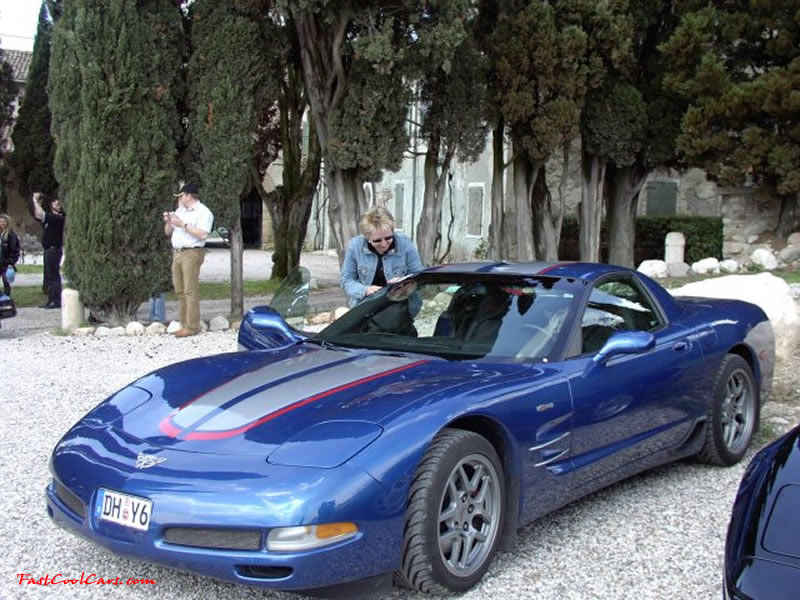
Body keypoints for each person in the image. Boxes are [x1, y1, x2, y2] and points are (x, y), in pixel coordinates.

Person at [340, 206, 423, 307]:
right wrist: (364, 290)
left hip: (401, 303)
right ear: (367, 238)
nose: (384, 244)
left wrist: (403, 281)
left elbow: (418, 276)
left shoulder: (405, 243)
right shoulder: (355, 246)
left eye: (388, 238)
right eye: (377, 240)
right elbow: (346, 280)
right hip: (365, 304)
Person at [163, 183, 213, 337]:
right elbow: (167, 232)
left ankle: (192, 326)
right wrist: (169, 221)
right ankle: (184, 322)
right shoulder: (180, 210)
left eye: (182, 195)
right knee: (180, 289)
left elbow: (203, 234)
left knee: (190, 290)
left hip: (192, 252)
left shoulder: (203, 212)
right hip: (178, 252)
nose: (180, 199)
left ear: (190, 195)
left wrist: (183, 225)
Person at [32, 193, 66, 309]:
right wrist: (38, 202)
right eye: (57, 202)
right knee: (50, 276)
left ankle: (56, 301)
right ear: (51, 204)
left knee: (54, 276)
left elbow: (41, 213)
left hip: (53, 249)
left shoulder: (58, 217)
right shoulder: (50, 218)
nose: (59, 205)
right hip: (48, 250)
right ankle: (51, 300)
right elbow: (38, 215)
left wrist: (35, 200)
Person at [0, 214, 20, 297]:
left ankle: (7, 298)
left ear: (7, 223)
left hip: (6, 263)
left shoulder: (11, 235)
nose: (2, 223)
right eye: (0, 221)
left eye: (4, 221)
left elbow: (15, 250)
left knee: (6, 282)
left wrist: (11, 263)